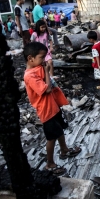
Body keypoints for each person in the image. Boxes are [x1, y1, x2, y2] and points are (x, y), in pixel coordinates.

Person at [23, 42, 81, 175]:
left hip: (53, 107)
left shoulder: (36, 67)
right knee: (51, 138)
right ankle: (50, 164)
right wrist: (46, 71)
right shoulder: (30, 76)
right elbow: (47, 89)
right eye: (41, 58)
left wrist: (44, 68)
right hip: (46, 111)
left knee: (59, 130)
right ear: (30, 58)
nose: (43, 60)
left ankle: (64, 150)